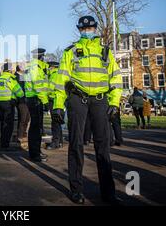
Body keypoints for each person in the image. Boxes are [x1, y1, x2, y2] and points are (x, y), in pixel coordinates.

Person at [51, 15, 123, 205]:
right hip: (77, 99)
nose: (87, 31)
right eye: (83, 29)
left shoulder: (106, 52)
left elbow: (116, 79)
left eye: (90, 28)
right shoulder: (71, 52)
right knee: (76, 144)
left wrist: (115, 103)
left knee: (103, 146)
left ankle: (108, 193)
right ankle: (76, 190)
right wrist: (58, 105)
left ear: (95, 28)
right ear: (79, 30)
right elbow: (61, 81)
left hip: (100, 101)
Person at [25, 48, 50, 162]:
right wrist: (45, 101)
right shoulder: (36, 67)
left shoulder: (33, 66)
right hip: (36, 99)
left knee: (37, 127)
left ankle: (36, 151)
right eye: (43, 56)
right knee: (36, 128)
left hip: (34, 98)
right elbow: (38, 85)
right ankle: (34, 154)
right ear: (41, 56)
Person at [0, 63, 25, 148]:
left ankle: (2, 142)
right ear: (9, 70)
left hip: (0, 103)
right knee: (8, 124)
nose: (12, 70)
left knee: (2, 123)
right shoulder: (10, 79)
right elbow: (19, 92)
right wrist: (21, 96)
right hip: (9, 104)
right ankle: (6, 144)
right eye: (11, 69)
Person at [46, 61, 64, 150]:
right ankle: (60, 141)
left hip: (54, 100)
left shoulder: (54, 75)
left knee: (55, 122)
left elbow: (50, 89)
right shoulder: (59, 74)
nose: (49, 69)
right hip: (59, 100)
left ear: (52, 67)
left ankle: (55, 142)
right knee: (58, 121)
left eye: (50, 67)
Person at [15, 65, 31, 140]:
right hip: (21, 101)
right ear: (19, 69)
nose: (24, 68)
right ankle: (20, 135)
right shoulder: (16, 76)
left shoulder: (22, 76)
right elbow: (20, 89)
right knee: (22, 118)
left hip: (26, 100)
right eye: (22, 67)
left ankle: (24, 133)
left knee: (27, 118)